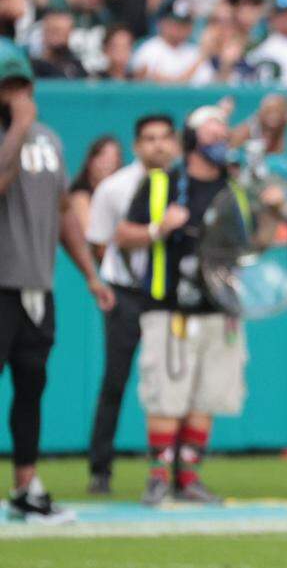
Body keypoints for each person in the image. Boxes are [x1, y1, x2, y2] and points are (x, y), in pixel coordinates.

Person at [115, 105, 275, 506]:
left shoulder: (237, 189)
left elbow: (257, 244)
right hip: (170, 308)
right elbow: (122, 235)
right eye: (211, 129)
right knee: (166, 393)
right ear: (191, 138)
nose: (221, 136)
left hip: (220, 309)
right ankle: (157, 478)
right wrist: (158, 228)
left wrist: (272, 209)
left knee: (209, 395)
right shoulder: (160, 184)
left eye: (224, 130)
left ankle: (187, 479)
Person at [1, 40, 114, 523]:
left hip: (37, 285)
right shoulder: (22, 132)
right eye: (7, 85)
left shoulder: (48, 139)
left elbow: (64, 211)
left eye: (21, 84)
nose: (16, 94)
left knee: (31, 388)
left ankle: (26, 488)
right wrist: (20, 125)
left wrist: (89, 272)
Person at [85, 114, 179, 494]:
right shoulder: (114, 187)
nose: (157, 145)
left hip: (167, 295)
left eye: (163, 138)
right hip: (126, 290)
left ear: (173, 143)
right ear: (137, 145)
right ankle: (100, 468)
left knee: (169, 382)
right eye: (148, 138)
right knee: (116, 379)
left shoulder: (183, 183)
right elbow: (101, 239)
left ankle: (171, 471)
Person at [130, 0, 215, 85]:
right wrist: (199, 61)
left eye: (184, 24)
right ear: (162, 23)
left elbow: (208, 83)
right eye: (174, 23)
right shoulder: (148, 49)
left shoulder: (194, 52)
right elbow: (172, 86)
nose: (179, 29)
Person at [67, 135, 123, 234]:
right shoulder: (80, 197)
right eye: (102, 156)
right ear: (90, 161)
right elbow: (90, 234)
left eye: (113, 158)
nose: (107, 163)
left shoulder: (123, 194)